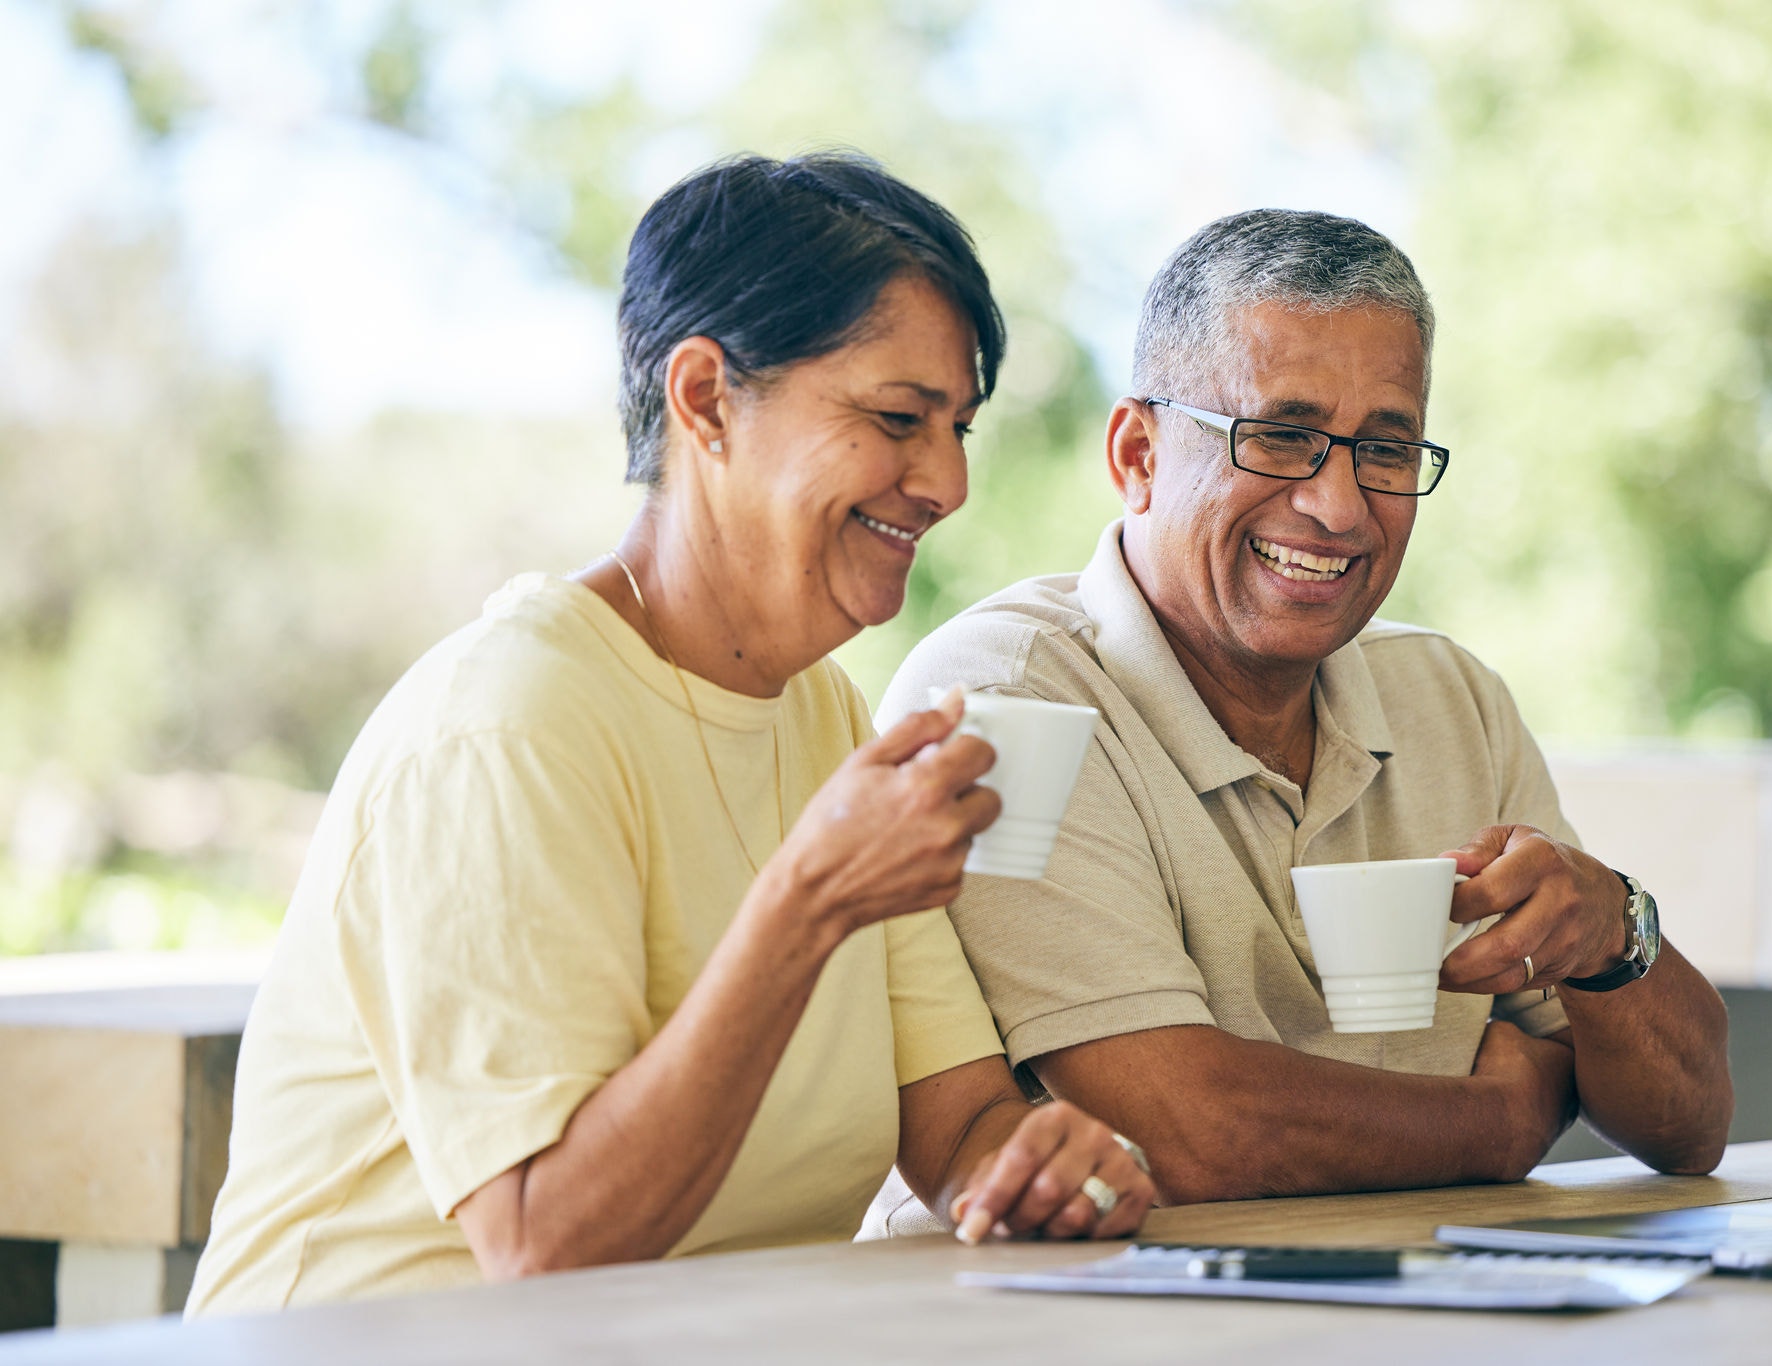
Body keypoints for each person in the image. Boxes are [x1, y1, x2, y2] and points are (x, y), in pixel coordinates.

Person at [186, 152, 1153, 1316]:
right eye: (898, 418)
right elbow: (546, 1249)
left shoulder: (824, 712)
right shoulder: (511, 721)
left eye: (957, 428)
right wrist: (807, 903)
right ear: (703, 400)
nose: (945, 480)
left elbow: (955, 1125)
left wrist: (1037, 1164)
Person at [877, 209, 1735, 1207]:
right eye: (1280, 437)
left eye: (1385, 449)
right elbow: (1182, 1132)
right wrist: (1500, 1119)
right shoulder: (1009, 694)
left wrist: (1611, 938)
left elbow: (1692, 1129)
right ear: (1137, 455)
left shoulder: (1452, 699)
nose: (1337, 507)